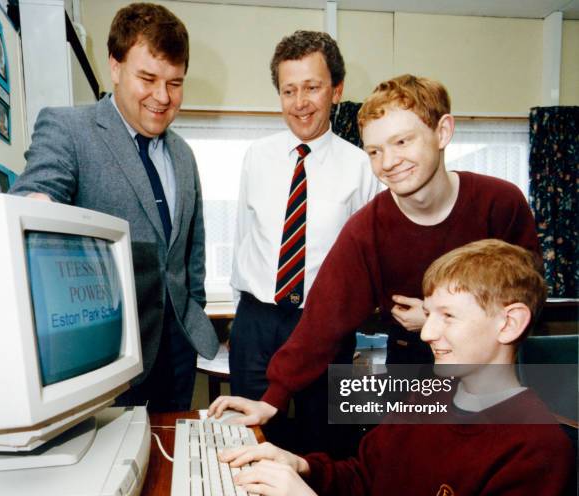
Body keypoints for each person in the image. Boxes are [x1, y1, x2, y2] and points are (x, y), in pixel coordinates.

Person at [219, 239, 575, 496]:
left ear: (509, 323)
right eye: (429, 314)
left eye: (448, 316)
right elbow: (365, 480)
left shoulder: (537, 453)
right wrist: (301, 467)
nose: (430, 332)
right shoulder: (427, 396)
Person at [209, 74, 540, 430]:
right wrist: (271, 400)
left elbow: (528, 296)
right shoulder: (366, 229)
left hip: (494, 376)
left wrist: (432, 312)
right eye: (374, 151)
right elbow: (321, 322)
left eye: (402, 141)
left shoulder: (501, 203)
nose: (389, 161)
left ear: (442, 132)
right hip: (411, 371)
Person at [11, 3, 218, 411]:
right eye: (148, 78)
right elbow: (34, 195)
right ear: (115, 66)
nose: (163, 97)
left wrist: (193, 308)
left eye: (175, 83)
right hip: (108, 356)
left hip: (177, 349)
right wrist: (34, 206)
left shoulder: (184, 154)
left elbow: (191, 250)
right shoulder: (69, 129)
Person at [229, 30, 375, 452]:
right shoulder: (256, 156)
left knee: (325, 444)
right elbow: (244, 236)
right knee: (249, 441)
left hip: (325, 325)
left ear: (336, 90)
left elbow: (365, 262)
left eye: (312, 87)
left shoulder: (361, 166)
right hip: (256, 323)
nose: (300, 102)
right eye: (289, 90)